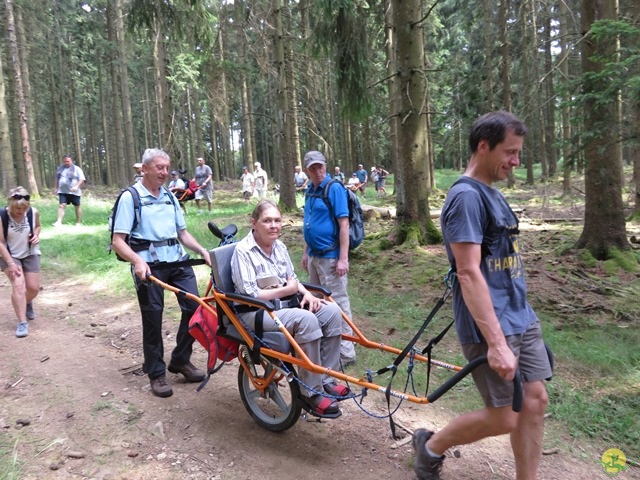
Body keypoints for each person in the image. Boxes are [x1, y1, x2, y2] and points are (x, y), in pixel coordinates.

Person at [412, 111, 551, 480]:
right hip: (491, 323)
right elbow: (468, 272)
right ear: (483, 146)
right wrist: (496, 343)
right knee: (506, 414)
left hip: (521, 316)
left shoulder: (492, 193)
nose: (516, 161)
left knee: (535, 402)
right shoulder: (465, 198)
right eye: (510, 152)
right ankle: (430, 446)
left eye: (519, 152)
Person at [231, 199, 349, 415]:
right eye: (267, 221)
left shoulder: (279, 247)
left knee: (331, 312)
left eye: (277, 220)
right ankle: (311, 392)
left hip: (282, 308)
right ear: (254, 223)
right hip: (255, 312)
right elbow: (249, 294)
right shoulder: (243, 251)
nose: (274, 225)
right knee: (306, 320)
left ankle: (326, 379)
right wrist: (287, 291)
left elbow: (292, 279)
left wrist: (307, 295)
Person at [111, 148, 211, 398]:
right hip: (149, 267)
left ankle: (180, 360)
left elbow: (182, 233)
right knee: (153, 319)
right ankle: (156, 373)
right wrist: (137, 261)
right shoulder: (129, 198)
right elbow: (118, 241)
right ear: (144, 169)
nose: (165, 172)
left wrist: (202, 250)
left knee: (195, 310)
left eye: (167, 168)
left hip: (178, 262)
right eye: (159, 168)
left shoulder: (170, 196)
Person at [302, 151, 357, 366]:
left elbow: (344, 224)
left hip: (331, 257)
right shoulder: (309, 190)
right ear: (307, 170)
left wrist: (344, 258)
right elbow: (309, 222)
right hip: (315, 257)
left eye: (320, 166)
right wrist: (306, 252)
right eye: (313, 168)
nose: (318, 171)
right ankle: (326, 344)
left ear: (325, 166)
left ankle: (346, 352)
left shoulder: (334, 188)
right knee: (316, 301)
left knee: (338, 303)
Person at [0, 187, 41, 338]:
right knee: (18, 285)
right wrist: (10, 263)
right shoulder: (2, 215)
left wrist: (36, 235)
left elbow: (37, 226)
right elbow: (1, 243)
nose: (21, 211)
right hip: (9, 255)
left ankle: (27, 302)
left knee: (33, 288)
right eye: (17, 208)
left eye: (24, 208)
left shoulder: (33, 212)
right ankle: (22, 322)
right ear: (10, 204)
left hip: (30, 252)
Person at [52, 154, 86, 226]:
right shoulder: (60, 169)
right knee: (61, 205)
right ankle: (59, 222)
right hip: (63, 191)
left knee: (77, 206)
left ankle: (78, 222)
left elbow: (82, 179)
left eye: (68, 161)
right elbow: (57, 178)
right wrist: (56, 188)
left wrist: (76, 186)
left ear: (71, 161)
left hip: (74, 191)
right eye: (65, 161)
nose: (66, 163)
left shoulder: (77, 169)